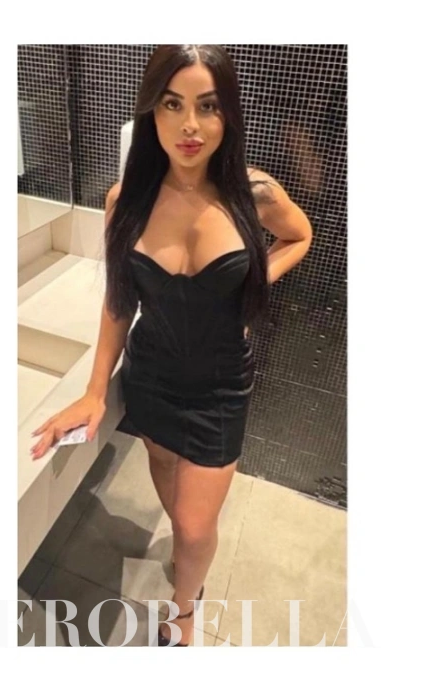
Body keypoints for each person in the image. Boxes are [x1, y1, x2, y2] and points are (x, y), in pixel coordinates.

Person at [30, 44, 312, 646]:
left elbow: (299, 235)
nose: (190, 125)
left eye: (207, 106)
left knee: (192, 526)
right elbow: (119, 300)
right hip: (151, 374)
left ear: (227, 114)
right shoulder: (124, 201)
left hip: (220, 386)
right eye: (172, 104)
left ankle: (184, 610)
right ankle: (189, 574)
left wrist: (254, 282)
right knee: (162, 467)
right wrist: (94, 392)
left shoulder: (255, 193)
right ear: (150, 112)